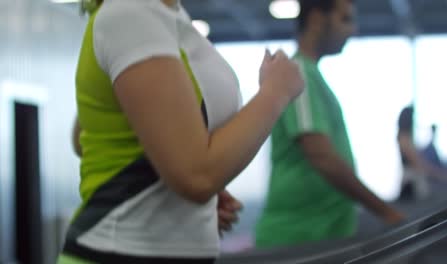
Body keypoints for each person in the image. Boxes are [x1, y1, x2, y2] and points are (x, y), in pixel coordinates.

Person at [57, 0, 305, 263]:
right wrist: (276, 92)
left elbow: (99, 133)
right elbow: (197, 176)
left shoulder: (168, 14)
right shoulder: (131, 13)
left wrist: (171, 187)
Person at [255, 0, 404, 248]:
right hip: (297, 241)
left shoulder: (309, 75)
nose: (352, 30)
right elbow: (320, 155)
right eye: (345, 19)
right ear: (316, 19)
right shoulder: (298, 73)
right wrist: (386, 212)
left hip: (322, 237)